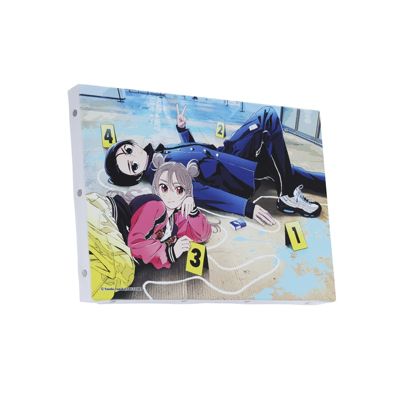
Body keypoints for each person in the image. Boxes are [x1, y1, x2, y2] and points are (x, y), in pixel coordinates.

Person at [105, 105, 326, 225]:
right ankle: (287, 195)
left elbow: (193, 155)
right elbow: (202, 192)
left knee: (291, 173)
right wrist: (247, 208)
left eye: (128, 151)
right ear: (135, 176)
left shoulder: (158, 154)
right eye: (131, 166)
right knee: (266, 117)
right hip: (232, 173)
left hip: (228, 154)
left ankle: (303, 185)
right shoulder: (162, 175)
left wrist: (183, 131)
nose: (134, 157)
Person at [108, 155, 212, 270]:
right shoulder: (155, 205)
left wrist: (193, 211)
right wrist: (171, 252)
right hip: (107, 223)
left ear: (186, 193)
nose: (170, 195)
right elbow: (136, 244)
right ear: (156, 188)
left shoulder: (176, 218)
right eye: (164, 187)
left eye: (179, 189)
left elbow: (202, 235)